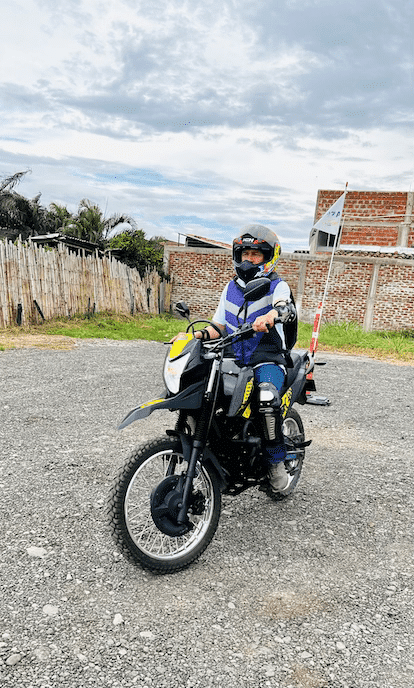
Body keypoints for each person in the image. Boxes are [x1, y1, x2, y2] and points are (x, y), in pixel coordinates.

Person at [171, 224, 297, 496]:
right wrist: (198, 334)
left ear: (269, 257)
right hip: (234, 356)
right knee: (202, 388)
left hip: (267, 357)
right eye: (245, 254)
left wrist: (272, 316)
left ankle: (276, 464)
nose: (248, 260)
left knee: (265, 398)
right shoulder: (230, 288)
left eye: (256, 254)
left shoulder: (277, 285)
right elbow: (220, 325)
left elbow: (284, 307)